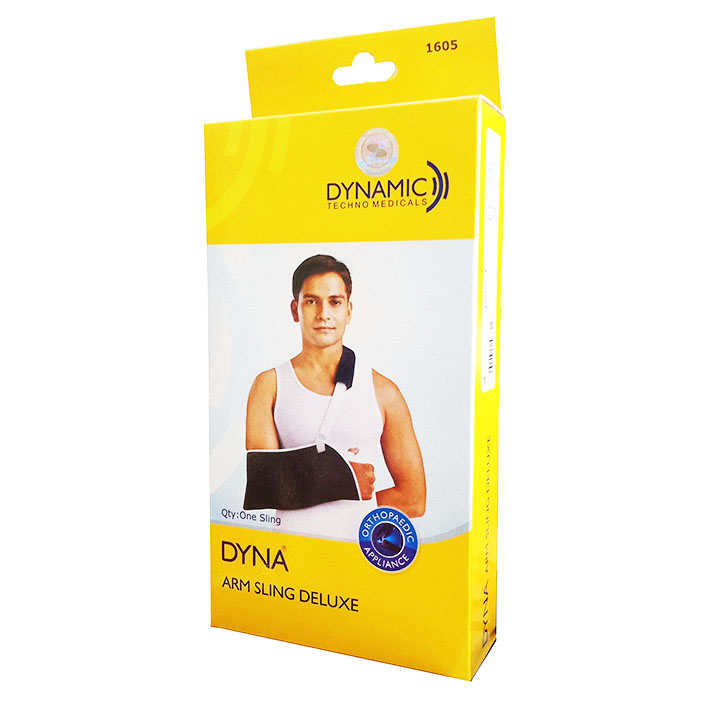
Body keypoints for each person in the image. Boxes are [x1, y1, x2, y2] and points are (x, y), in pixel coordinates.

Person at [246, 254, 426, 538]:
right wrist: (343, 480)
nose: (323, 314)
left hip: (357, 555)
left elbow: (414, 499)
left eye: (335, 302)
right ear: (295, 310)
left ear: (349, 311)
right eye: (311, 301)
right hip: (292, 556)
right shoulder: (269, 385)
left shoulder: (384, 392)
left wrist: (345, 509)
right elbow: (265, 485)